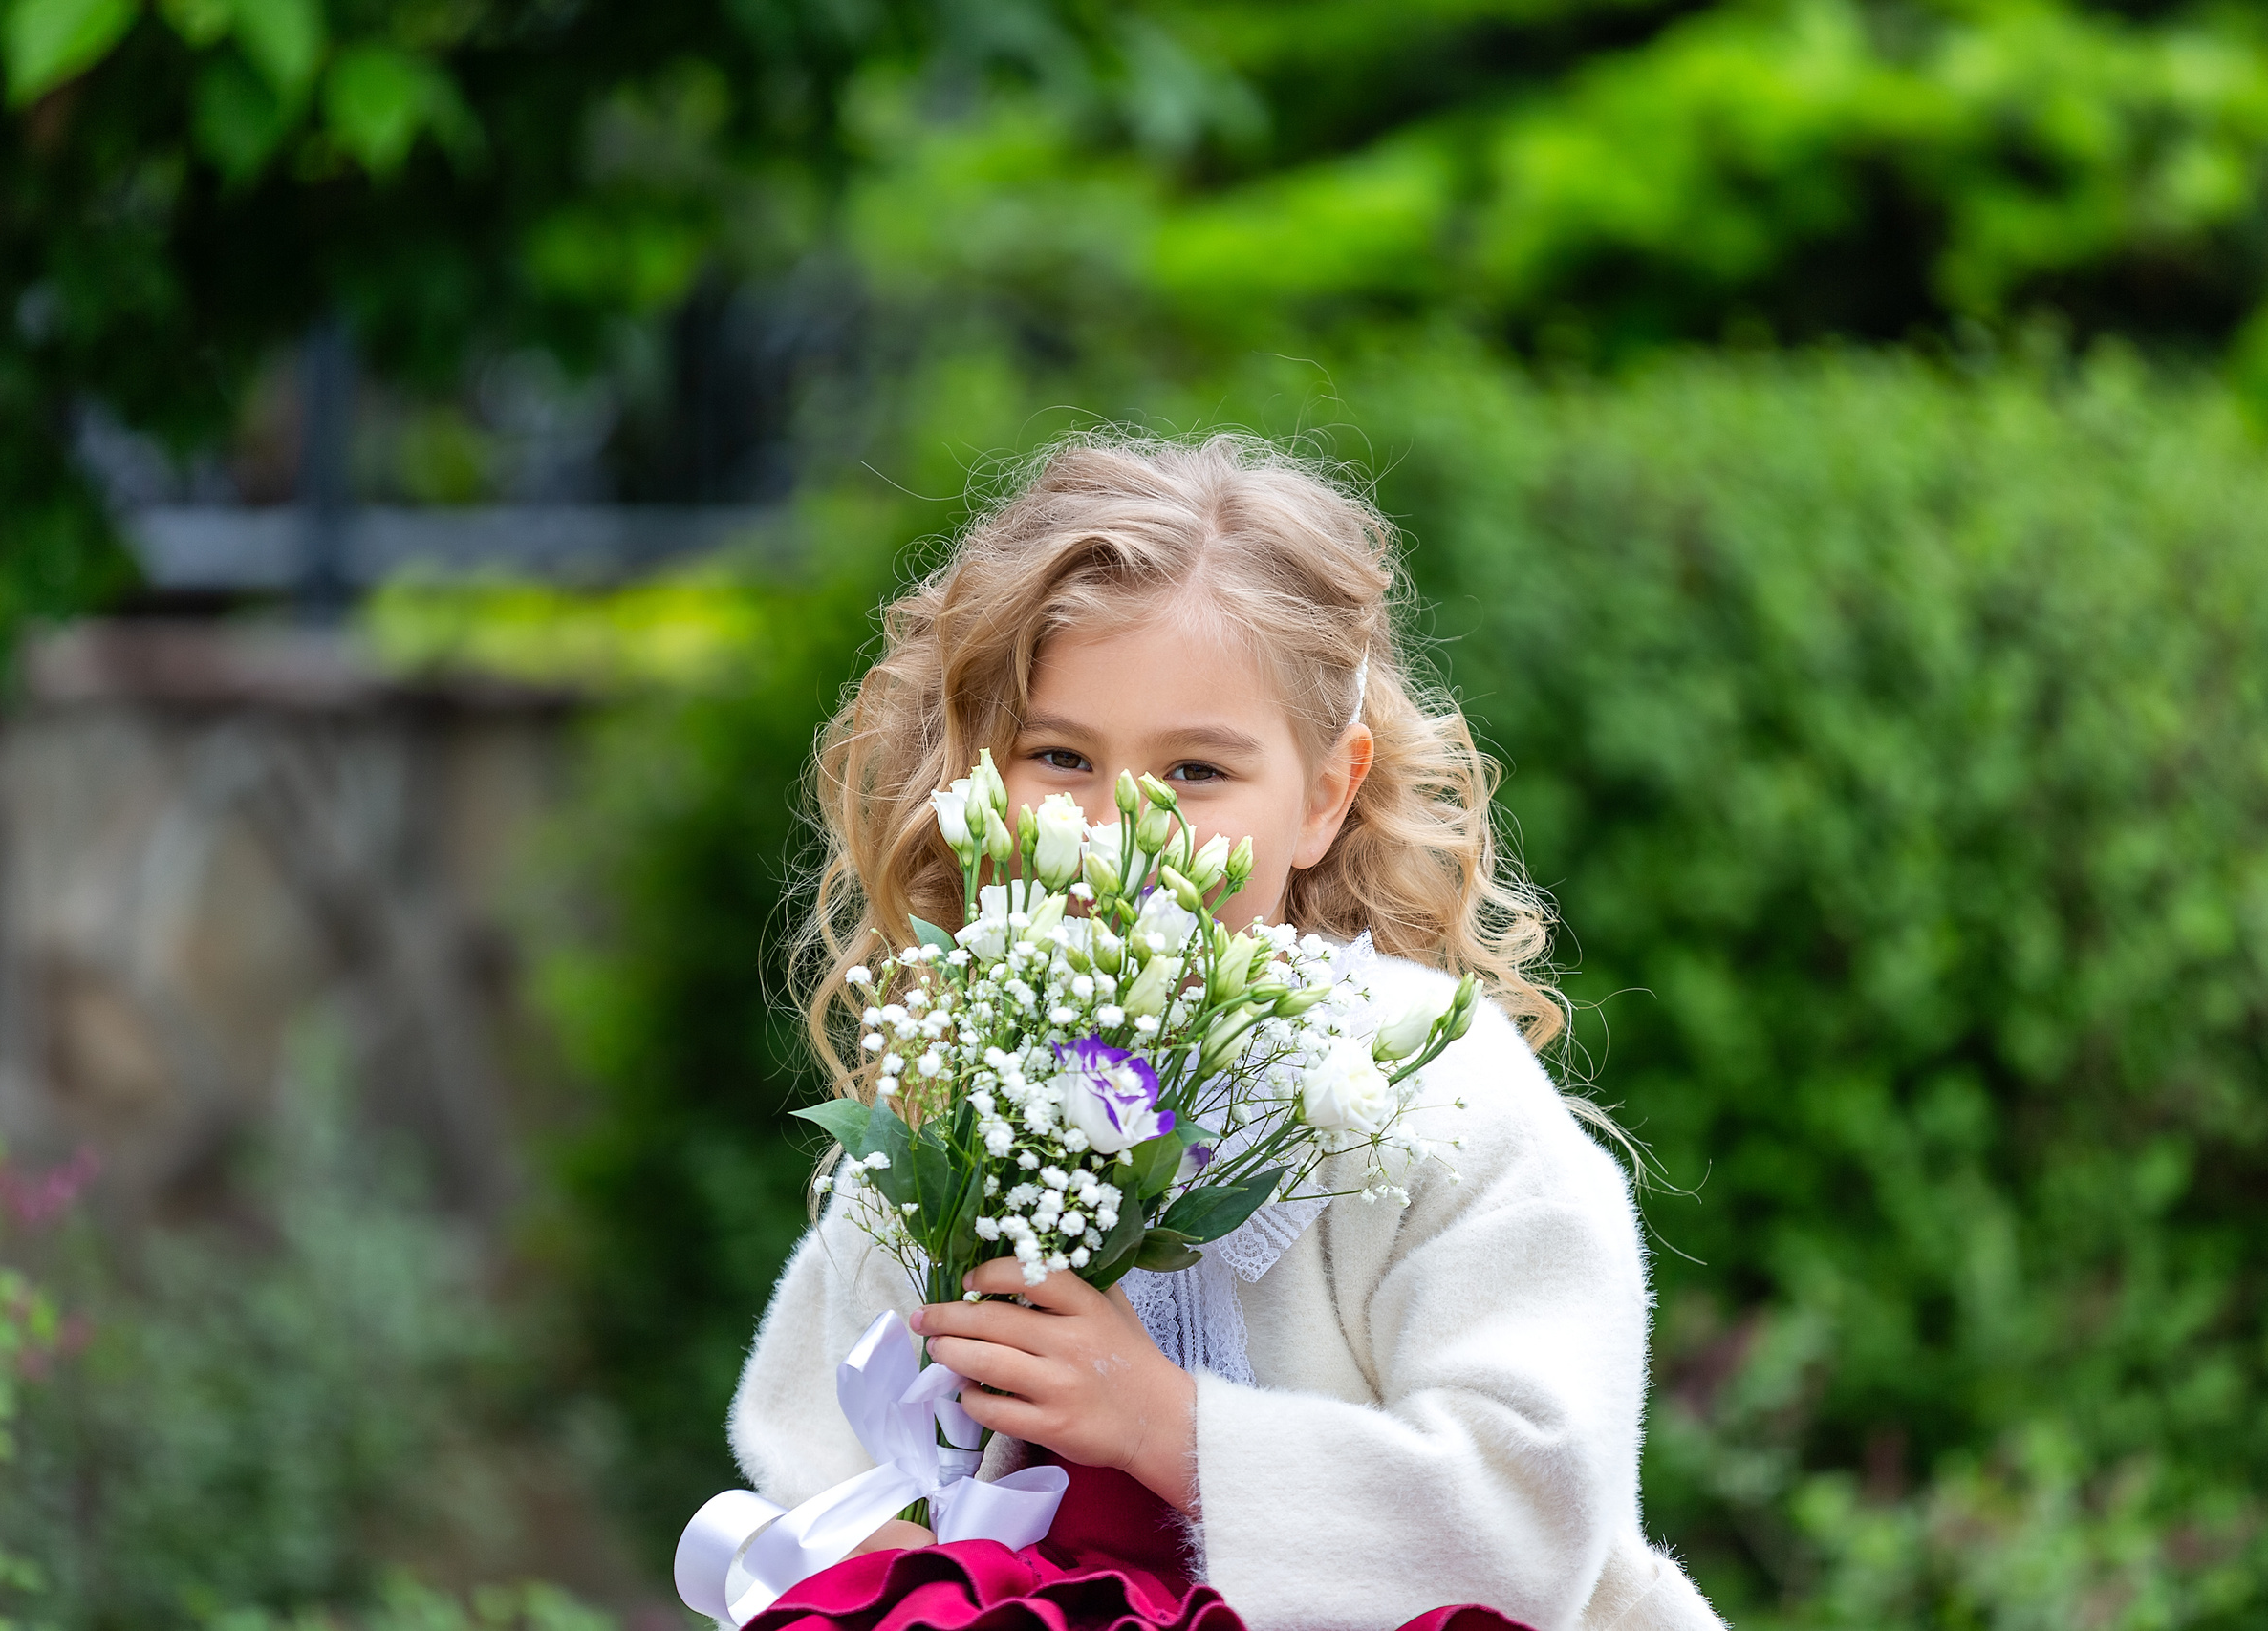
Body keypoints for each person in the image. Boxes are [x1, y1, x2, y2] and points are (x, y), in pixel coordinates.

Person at [724, 436, 1723, 1631]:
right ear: (985, 780)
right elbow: (813, 1459)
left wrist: (1166, 1429)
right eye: (1060, 758)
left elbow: (1529, 1518)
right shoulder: (966, 1084)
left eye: (1195, 771)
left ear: (1323, 794)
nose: (1118, 831)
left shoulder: (1424, 1097)